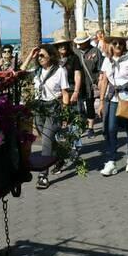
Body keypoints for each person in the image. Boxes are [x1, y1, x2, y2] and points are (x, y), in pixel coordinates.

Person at [97, 32, 128, 176]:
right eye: (114, 43)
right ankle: (111, 161)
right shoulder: (107, 60)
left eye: (120, 43)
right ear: (110, 45)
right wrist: (101, 101)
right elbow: (105, 81)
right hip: (112, 97)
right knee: (110, 129)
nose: (118, 45)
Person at [25, 45, 71, 190]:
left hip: (53, 107)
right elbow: (19, 72)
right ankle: (61, 156)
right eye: (38, 56)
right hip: (39, 107)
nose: (39, 58)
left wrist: (65, 113)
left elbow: (65, 93)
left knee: (45, 140)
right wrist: (30, 57)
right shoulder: (37, 71)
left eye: (42, 55)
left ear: (51, 56)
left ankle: (43, 176)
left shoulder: (60, 71)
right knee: (46, 138)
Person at [54, 37, 90, 172]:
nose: (62, 47)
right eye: (59, 45)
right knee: (61, 122)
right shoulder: (55, 60)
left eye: (64, 45)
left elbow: (78, 76)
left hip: (72, 91)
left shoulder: (73, 58)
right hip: (58, 94)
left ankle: (75, 147)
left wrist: (76, 92)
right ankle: (63, 149)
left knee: (74, 120)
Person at [77, 33, 104, 134]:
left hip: (91, 84)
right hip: (78, 85)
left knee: (90, 105)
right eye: (79, 43)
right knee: (79, 107)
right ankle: (81, 124)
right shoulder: (76, 52)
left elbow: (101, 68)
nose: (81, 45)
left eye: (83, 42)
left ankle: (90, 128)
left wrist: (100, 80)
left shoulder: (95, 51)